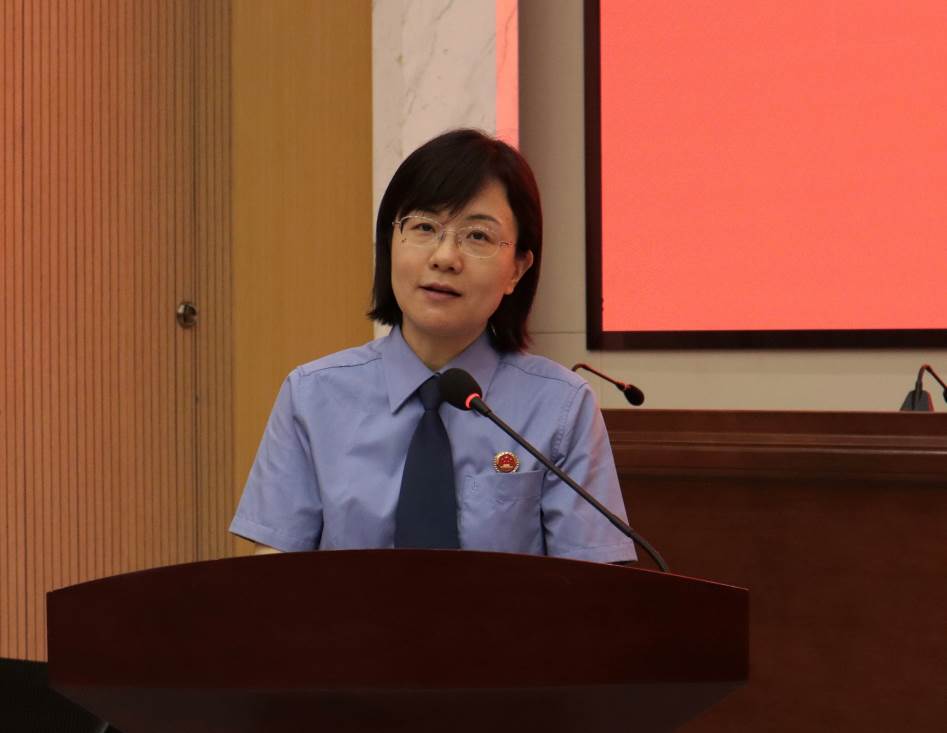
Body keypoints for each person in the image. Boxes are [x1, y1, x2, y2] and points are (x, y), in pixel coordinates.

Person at [230, 129, 636, 564]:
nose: (445, 257)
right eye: (424, 227)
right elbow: (274, 579)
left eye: (477, 236)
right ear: (390, 243)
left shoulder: (560, 407)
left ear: (517, 268)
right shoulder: (312, 396)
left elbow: (592, 589)